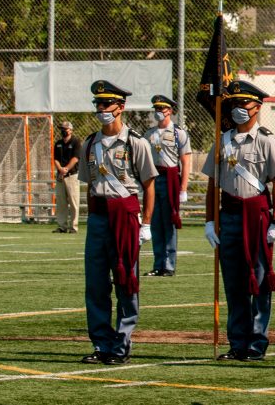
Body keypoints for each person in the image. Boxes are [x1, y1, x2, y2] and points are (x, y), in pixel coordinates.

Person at [203, 80, 275, 361]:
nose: (239, 109)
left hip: (257, 216)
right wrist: (209, 221)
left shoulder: (265, 139)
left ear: (257, 107)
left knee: (260, 280)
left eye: (244, 104)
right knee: (234, 281)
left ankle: (257, 341)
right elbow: (213, 184)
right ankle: (237, 340)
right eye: (234, 104)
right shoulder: (222, 140)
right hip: (229, 215)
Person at [77, 80, 157, 365]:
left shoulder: (137, 142)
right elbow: (88, 186)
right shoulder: (89, 143)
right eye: (97, 104)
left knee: (125, 279)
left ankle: (122, 343)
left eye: (105, 104)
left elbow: (148, 185)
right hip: (98, 218)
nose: (100, 109)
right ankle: (101, 343)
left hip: (125, 218)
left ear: (120, 107)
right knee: (96, 283)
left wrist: (145, 224)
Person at [145, 94, 192, 277]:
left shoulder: (178, 133)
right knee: (155, 222)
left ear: (170, 111)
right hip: (154, 179)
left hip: (171, 180)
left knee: (169, 222)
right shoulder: (149, 134)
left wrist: (183, 188)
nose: (158, 112)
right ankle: (158, 263)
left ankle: (169, 265)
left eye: (161, 109)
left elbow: (185, 161)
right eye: (156, 109)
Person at [53, 120, 82, 234]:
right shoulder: (58, 143)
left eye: (65, 129)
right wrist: (60, 169)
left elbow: (75, 158)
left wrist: (66, 169)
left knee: (74, 202)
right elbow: (55, 159)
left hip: (72, 175)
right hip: (60, 176)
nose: (63, 131)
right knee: (61, 202)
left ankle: (74, 226)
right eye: (62, 129)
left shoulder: (76, 142)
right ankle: (62, 226)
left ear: (70, 130)